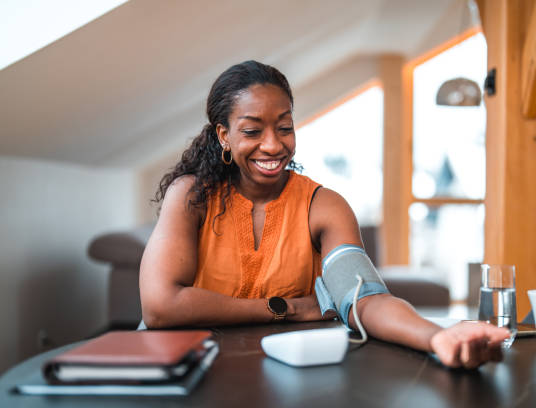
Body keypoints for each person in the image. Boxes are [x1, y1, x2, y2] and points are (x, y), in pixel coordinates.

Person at [139, 60, 509, 369]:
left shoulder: (322, 205)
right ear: (224, 135)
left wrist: (436, 336)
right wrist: (282, 309)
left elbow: (366, 298)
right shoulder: (191, 195)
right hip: (184, 372)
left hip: (279, 373)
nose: (273, 144)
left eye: (284, 127)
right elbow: (160, 307)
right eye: (252, 130)